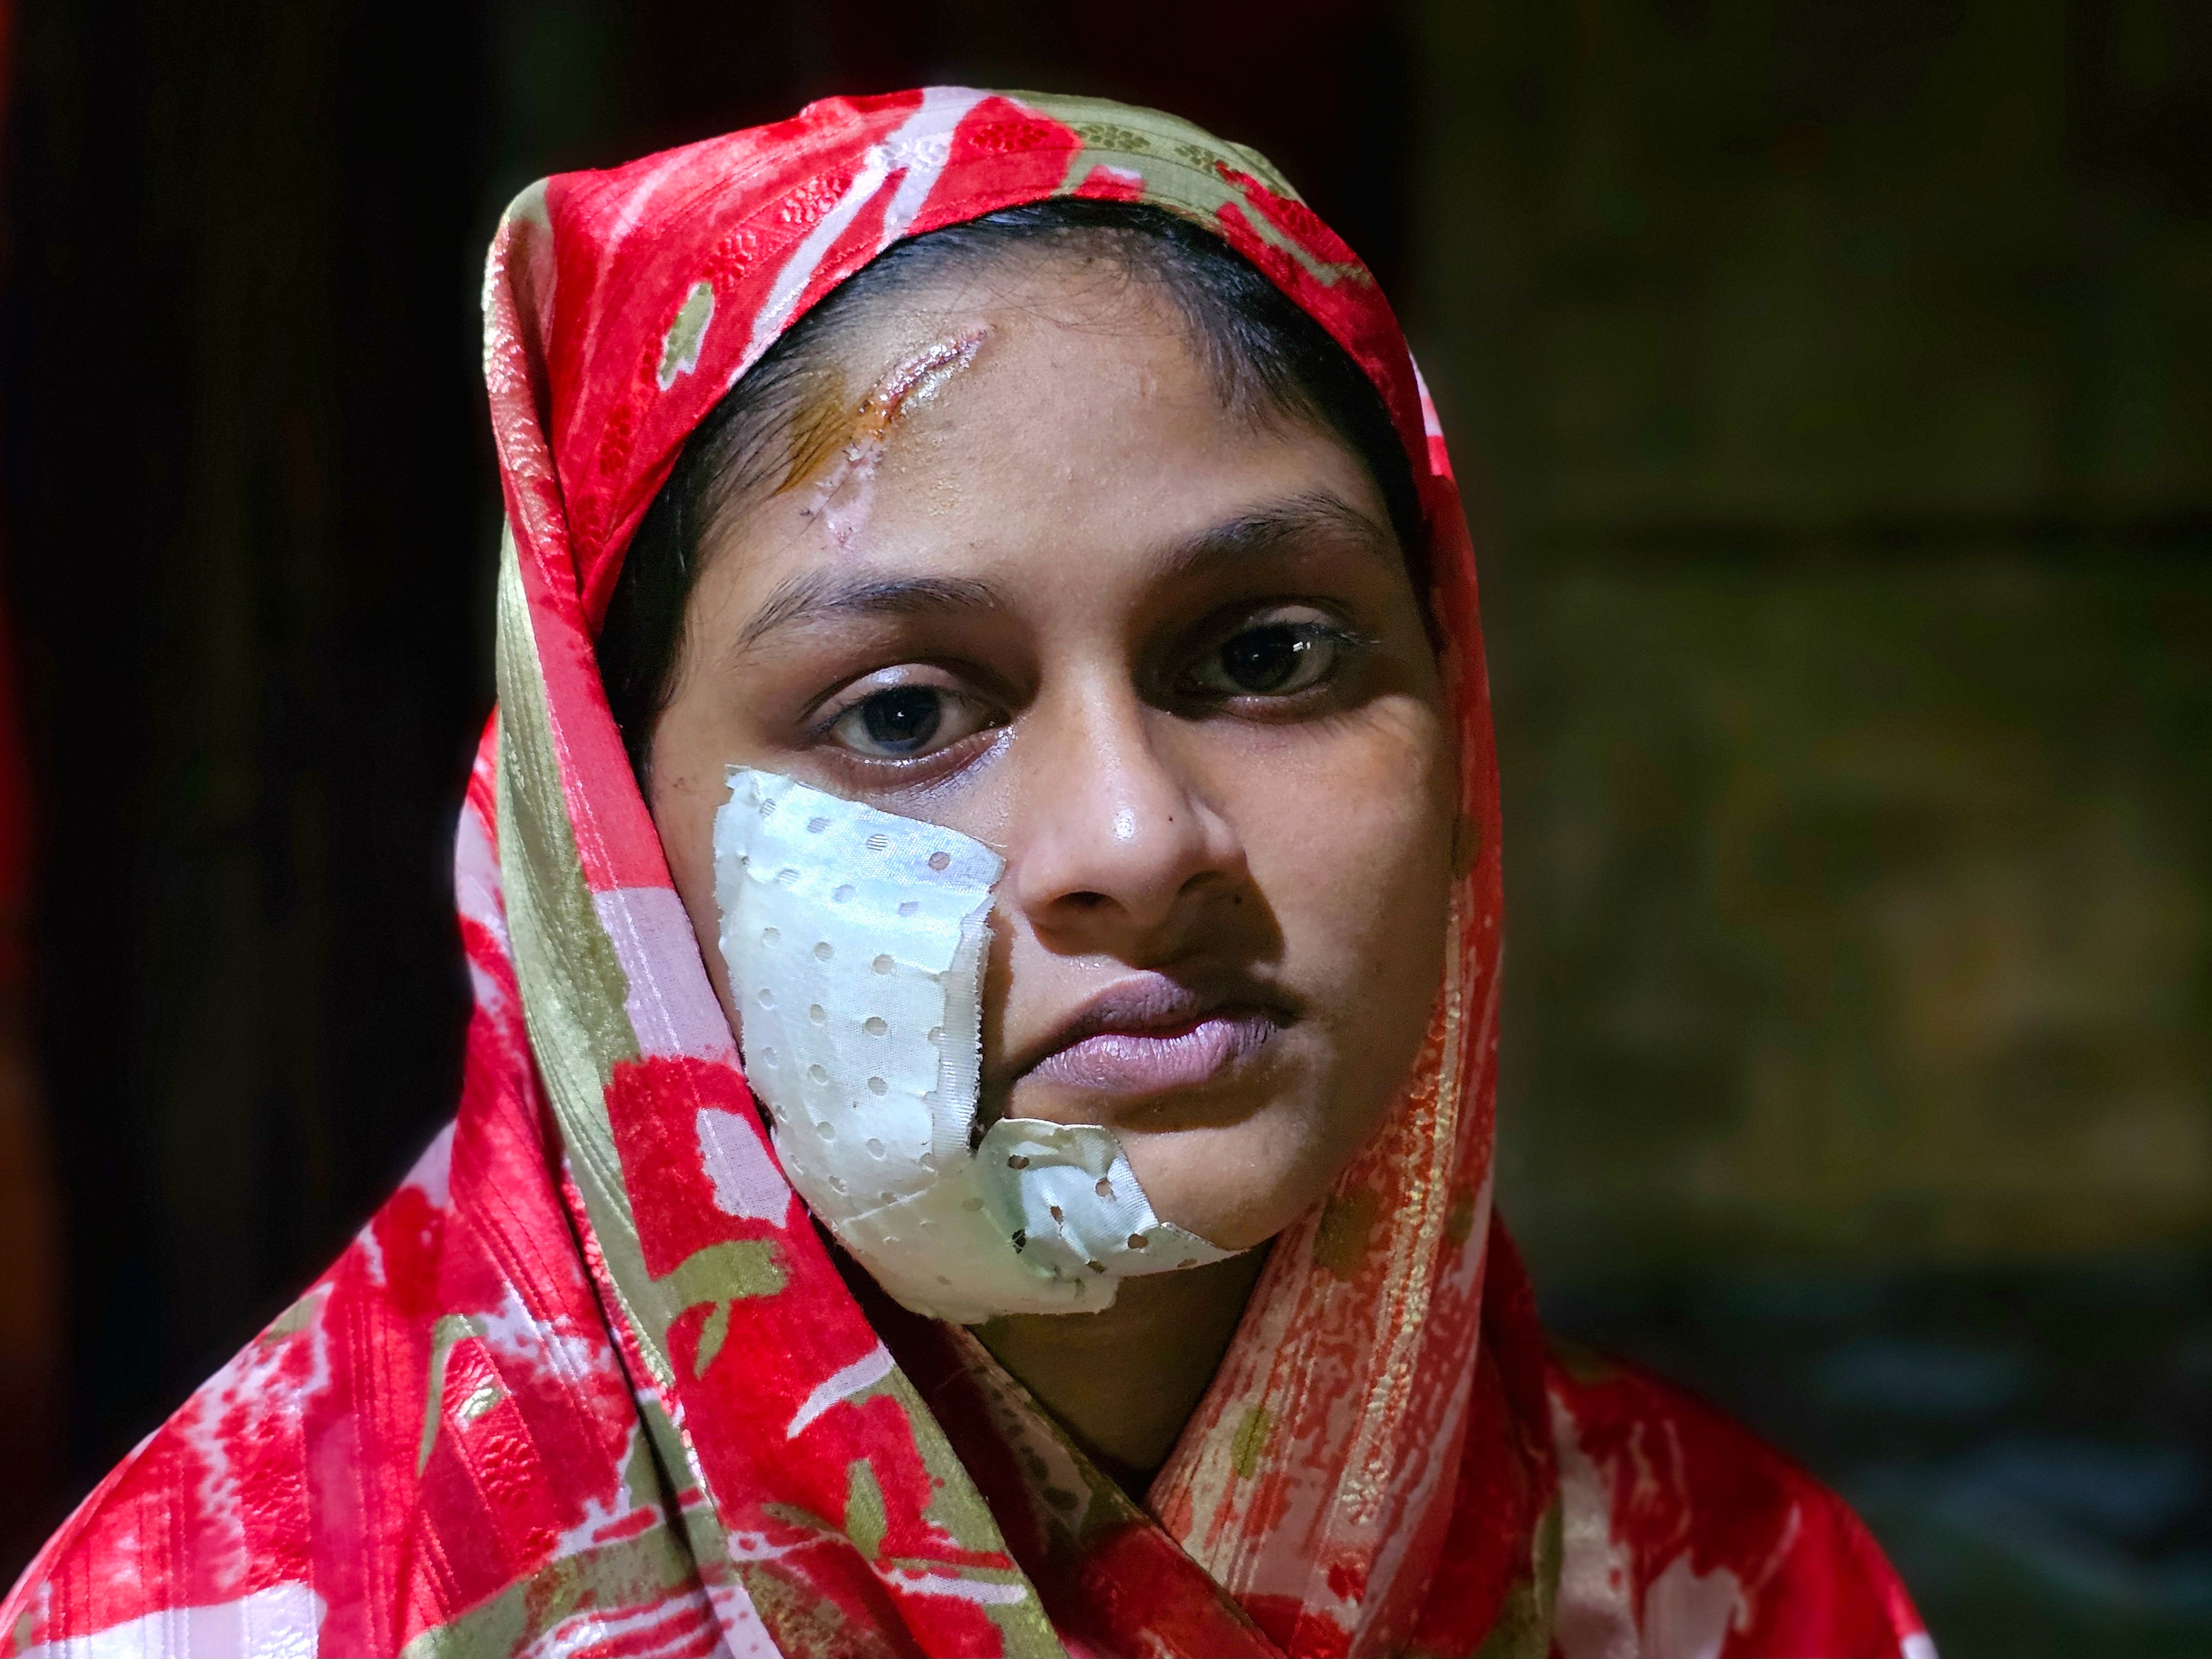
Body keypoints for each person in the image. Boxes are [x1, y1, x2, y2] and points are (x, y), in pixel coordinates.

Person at [0, 91, 1933, 1659]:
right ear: (611, 854)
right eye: (909, 713)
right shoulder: (235, 1623)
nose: (1130, 841)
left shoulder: (1730, 1598)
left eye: (1267, 656)